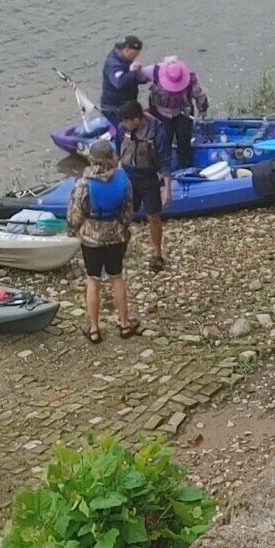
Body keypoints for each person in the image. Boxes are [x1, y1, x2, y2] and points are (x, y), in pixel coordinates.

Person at [65, 140, 141, 344]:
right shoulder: (123, 180)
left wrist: (73, 229)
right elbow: (128, 212)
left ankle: (94, 329)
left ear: (91, 159)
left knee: (93, 280)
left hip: (91, 239)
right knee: (116, 277)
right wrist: (122, 226)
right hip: (116, 236)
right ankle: (124, 324)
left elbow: (75, 215)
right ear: (112, 158)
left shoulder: (83, 184)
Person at [114, 101, 167, 272]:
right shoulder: (122, 129)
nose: (124, 124)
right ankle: (120, 249)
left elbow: (165, 162)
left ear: (137, 119)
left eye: (126, 121)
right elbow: (117, 151)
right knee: (124, 216)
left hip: (149, 178)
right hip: (128, 177)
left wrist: (167, 189)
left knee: (153, 217)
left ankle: (157, 254)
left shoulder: (157, 132)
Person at [148, 57, 209, 176]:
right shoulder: (154, 72)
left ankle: (185, 168)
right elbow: (138, 75)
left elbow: (199, 94)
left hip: (183, 112)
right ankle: (163, 170)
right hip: (161, 114)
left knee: (184, 141)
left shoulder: (190, 77)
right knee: (163, 141)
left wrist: (203, 110)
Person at [100, 35, 149, 123]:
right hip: (114, 108)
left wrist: (146, 76)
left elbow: (129, 78)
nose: (135, 57)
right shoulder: (113, 64)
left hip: (127, 104)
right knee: (125, 129)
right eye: (134, 54)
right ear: (127, 50)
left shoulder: (126, 60)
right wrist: (134, 72)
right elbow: (119, 82)